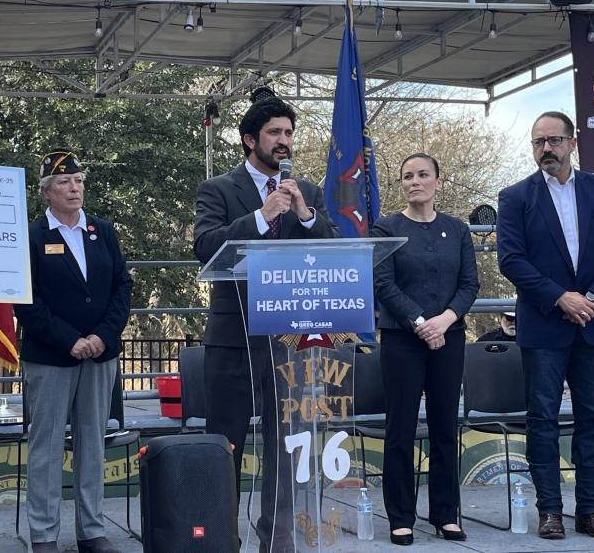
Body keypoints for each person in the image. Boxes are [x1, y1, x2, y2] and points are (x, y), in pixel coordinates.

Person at [193, 87, 339, 552]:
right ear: (248, 139)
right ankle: (221, 539)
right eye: (274, 133)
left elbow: (334, 246)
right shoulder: (218, 189)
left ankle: (278, 540)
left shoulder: (307, 190)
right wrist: (261, 215)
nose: (284, 141)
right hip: (233, 338)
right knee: (226, 446)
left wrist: (306, 214)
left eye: (289, 133)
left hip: (289, 339)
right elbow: (205, 247)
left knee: (285, 447)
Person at [496, 111, 594, 540]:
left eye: (554, 140)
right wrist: (560, 297)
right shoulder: (515, 197)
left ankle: (590, 510)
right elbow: (511, 260)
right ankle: (550, 511)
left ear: (573, 143)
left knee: (593, 417)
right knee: (543, 419)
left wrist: (590, 298)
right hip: (544, 323)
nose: (546, 149)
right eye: (538, 142)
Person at [13, 149, 132, 553]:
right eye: (64, 182)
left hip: (101, 355)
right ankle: (44, 535)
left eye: (79, 180)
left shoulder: (102, 230)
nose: (74, 187)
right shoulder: (32, 236)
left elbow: (122, 287)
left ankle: (91, 531)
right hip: (50, 357)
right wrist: (70, 339)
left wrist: (102, 335)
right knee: (45, 448)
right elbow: (26, 301)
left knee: (92, 444)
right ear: (47, 191)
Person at [369, 153, 479, 545]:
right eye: (407, 176)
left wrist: (444, 321)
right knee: (400, 427)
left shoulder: (458, 229)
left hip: (449, 337)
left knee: (445, 427)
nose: (415, 181)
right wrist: (419, 324)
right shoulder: (387, 228)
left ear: (437, 180)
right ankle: (400, 516)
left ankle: (445, 515)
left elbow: (469, 285)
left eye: (422, 175)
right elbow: (383, 284)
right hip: (402, 340)